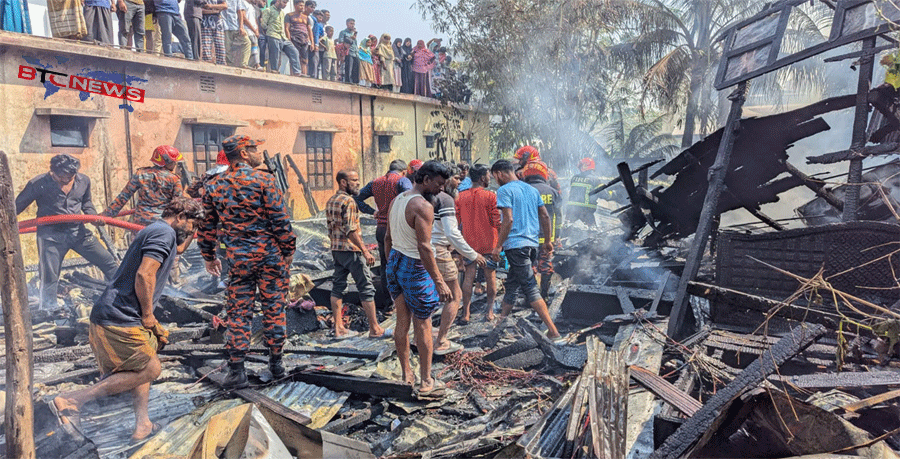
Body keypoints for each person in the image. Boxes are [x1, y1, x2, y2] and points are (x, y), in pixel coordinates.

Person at [50, 197, 203, 443]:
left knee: (141, 366)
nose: (193, 229)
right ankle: (72, 400)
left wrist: (194, 230)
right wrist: (148, 315)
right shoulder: (163, 234)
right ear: (181, 216)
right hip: (119, 315)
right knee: (152, 368)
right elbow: (144, 274)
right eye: (193, 223)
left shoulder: (160, 232)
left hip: (118, 313)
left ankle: (142, 424)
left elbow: (181, 249)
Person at [198, 134, 296, 388]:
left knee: (239, 313)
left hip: (238, 261)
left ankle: (237, 370)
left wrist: (208, 255)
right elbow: (280, 220)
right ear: (243, 153)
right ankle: (276, 364)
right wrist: (288, 249)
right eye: (254, 149)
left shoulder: (214, 186)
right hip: (270, 259)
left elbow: (206, 226)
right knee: (273, 309)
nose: (258, 154)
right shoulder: (264, 180)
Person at [16, 154, 119, 311]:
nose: (66, 181)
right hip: (51, 236)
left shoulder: (84, 180)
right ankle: (50, 311)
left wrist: (93, 216)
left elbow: (86, 203)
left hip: (77, 232)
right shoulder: (37, 183)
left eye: (70, 177)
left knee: (108, 262)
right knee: (49, 276)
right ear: (53, 172)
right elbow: (16, 207)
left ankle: (122, 298)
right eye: (61, 178)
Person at [384, 160, 452, 396]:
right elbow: (424, 247)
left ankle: (406, 374)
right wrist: (439, 280)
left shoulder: (397, 200)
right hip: (415, 266)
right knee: (423, 324)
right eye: (439, 184)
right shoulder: (422, 206)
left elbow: (387, 239)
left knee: (401, 322)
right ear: (426, 180)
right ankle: (425, 380)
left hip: (395, 261)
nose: (441, 189)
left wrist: (391, 264)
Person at [490, 159, 563, 342]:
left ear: (499, 173)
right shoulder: (531, 190)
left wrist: (498, 246)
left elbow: (508, 220)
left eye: (494, 177)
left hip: (516, 246)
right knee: (512, 284)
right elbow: (545, 215)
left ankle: (553, 332)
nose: (495, 180)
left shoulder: (504, 190)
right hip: (531, 245)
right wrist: (547, 241)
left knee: (530, 288)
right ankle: (500, 324)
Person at [325, 170, 389, 339]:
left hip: (337, 250)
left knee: (338, 287)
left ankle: (339, 328)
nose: (358, 183)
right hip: (352, 251)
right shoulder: (349, 202)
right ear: (343, 182)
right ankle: (375, 329)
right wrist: (365, 251)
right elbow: (351, 231)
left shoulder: (332, 200)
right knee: (366, 288)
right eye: (353, 180)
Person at [431, 162, 485, 355]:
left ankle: (425, 335)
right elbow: (452, 233)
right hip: (439, 250)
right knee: (455, 296)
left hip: (423, 250)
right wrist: (472, 254)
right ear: (446, 180)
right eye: (457, 178)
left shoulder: (416, 197)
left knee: (428, 295)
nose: (460, 182)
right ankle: (441, 341)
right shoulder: (445, 199)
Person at [354, 160, 412, 310]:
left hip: (380, 228)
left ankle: (389, 302)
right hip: (397, 229)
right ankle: (404, 301)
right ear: (403, 171)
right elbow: (411, 199)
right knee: (403, 263)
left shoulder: (375, 182)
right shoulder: (402, 181)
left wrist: (371, 211)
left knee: (386, 266)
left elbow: (357, 198)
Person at [456, 164, 501, 323]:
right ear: (482, 178)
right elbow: (496, 221)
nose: (490, 178)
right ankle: (489, 312)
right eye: (489, 175)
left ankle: (466, 314)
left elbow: (457, 222)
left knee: (468, 278)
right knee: (490, 278)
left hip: (468, 244)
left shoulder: (460, 197)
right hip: (489, 244)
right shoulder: (490, 196)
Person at [103, 145, 185, 226]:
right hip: (162, 225)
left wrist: (106, 215)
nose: (175, 164)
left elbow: (123, 197)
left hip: (140, 224)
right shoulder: (174, 179)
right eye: (173, 162)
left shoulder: (140, 174)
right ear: (168, 162)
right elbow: (178, 205)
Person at [521, 164, 561, 300]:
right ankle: (544, 295)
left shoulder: (522, 191)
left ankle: (530, 297)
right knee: (545, 265)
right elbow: (557, 216)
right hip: (546, 239)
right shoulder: (552, 192)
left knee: (530, 266)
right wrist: (556, 237)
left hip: (527, 238)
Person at [262, 0, 300, 75]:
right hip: (273, 35)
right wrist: (269, 31)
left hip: (283, 37)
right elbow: (263, 24)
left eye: (286, 3)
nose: (285, 4)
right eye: (284, 2)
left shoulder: (282, 13)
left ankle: (297, 72)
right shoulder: (268, 10)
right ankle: (274, 69)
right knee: (275, 53)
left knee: (294, 51)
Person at [566, 157, 602, 227]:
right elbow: (603, 193)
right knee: (592, 230)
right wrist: (612, 194)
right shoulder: (595, 179)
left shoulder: (574, 178)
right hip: (587, 210)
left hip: (572, 209)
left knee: (566, 228)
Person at [285, 0, 314, 76]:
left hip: (304, 40)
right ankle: (293, 75)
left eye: (303, 5)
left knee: (304, 59)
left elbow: (309, 30)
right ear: (295, 6)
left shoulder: (306, 18)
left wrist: (312, 43)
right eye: (300, 5)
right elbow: (286, 28)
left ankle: (304, 74)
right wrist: (289, 39)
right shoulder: (289, 15)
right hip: (294, 38)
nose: (302, 7)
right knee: (294, 58)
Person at [222, 0, 250, 67]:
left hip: (236, 26)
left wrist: (241, 27)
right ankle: (229, 65)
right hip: (225, 26)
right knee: (227, 48)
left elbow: (239, 12)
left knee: (247, 42)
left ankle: (244, 64)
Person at [338, 18, 359, 83]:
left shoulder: (353, 33)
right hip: (348, 52)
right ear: (347, 24)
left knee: (356, 69)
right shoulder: (343, 32)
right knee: (348, 69)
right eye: (351, 23)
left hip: (355, 52)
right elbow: (341, 41)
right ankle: (348, 81)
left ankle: (355, 82)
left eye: (353, 24)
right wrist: (350, 38)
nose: (352, 25)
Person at [243, 0, 260, 68]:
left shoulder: (252, 6)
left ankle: (255, 64)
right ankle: (256, 64)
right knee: (252, 46)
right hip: (247, 29)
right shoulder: (243, 3)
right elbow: (244, 18)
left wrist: (257, 30)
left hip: (253, 31)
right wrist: (253, 30)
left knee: (255, 47)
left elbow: (254, 19)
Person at [308, 10, 324, 77]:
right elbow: (316, 34)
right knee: (314, 60)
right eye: (320, 17)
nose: (321, 19)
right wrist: (316, 44)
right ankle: (313, 75)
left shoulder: (308, 18)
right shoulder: (316, 22)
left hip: (309, 41)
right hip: (314, 43)